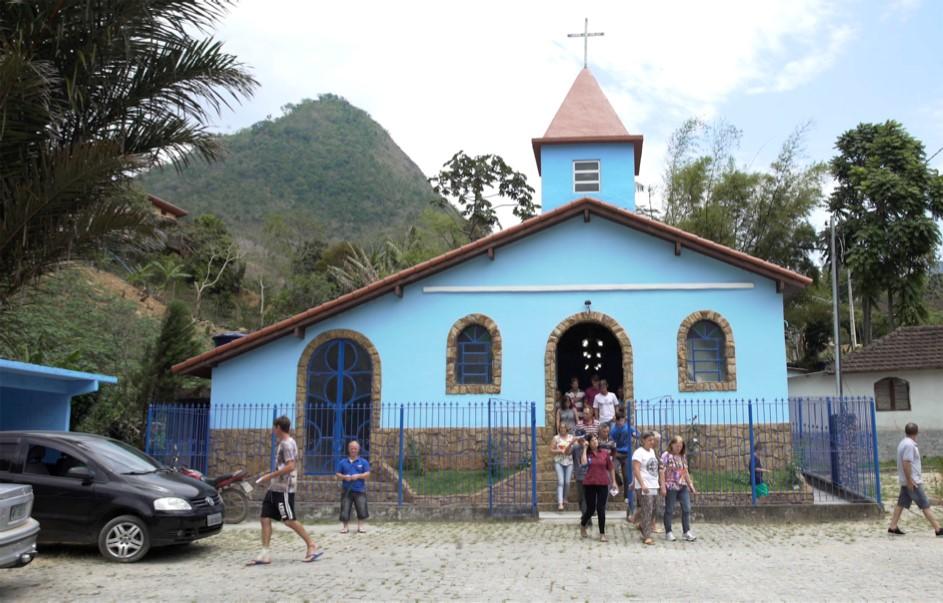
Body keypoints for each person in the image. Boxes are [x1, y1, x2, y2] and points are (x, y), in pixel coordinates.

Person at [249, 416, 322, 565]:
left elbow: (290, 466)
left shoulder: (287, 444)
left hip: (284, 489)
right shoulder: (284, 443)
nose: (273, 430)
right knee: (265, 517)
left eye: (274, 427)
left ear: (278, 427)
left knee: (289, 520)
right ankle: (265, 553)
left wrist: (268, 476)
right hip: (274, 488)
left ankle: (311, 544)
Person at [887, 423, 942, 536]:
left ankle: (892, 527)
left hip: (907, 480)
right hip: (913, 481)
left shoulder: (903, 443)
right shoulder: (909, 445)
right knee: (924, 503)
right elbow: (906, 463)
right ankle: (938, 529)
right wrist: (909, 481)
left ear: (906, 432)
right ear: (917, 432)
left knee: (901, 503)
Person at [579, 433, 616, 542]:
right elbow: (584, 463)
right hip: (589, 483)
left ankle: (602, 533)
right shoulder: (587, 454)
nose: (595, 442)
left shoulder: (604, 453)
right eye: (593, 440)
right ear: (589, 443)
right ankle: (582, 524)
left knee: (601, 508)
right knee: (590, 509)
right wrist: (585, 448)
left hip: (603, 483)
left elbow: (611, 468)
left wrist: (614, 481)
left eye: (596, 440)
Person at [660, 435, 697, 542]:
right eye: (677, 446)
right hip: (671, 486)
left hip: (682, 485)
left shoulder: (682, 456)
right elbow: (661, 471)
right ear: (671, 445)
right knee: (669, 509)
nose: (679, 448)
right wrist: (663, 486)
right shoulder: (666, 455)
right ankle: (668, 532)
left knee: (686, 508)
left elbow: (685, 471)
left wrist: (691, 485)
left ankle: (686, 531)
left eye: (680, 446)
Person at [335, 440, 371, 534]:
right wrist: (344, 477)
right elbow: (338, 474)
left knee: (361, 507)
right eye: (351, 448)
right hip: (346, 489)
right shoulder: (342, 462)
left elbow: (367, 474)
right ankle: (345, 527)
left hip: (359, 489)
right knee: (345, 508)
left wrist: (358, 476)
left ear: (358, 449)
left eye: (355, 448)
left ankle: (361, 526)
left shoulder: (363, 462)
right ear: (348, 449)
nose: (353, 450)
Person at [633, 431, 660, 545]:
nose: (652, 442)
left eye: (653, 440)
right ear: (643, 440)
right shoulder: (639, 453)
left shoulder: (652, 451)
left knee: (654, 509)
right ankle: (646, 536)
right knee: (647, 509)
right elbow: (636, 469)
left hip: (654, 484)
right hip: (644, 485)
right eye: (649, 440)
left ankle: (642, 525)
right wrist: (642, 484)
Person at [609, 412, 637, 516]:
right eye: (619, 421)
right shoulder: (613, 429)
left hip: (627, 453)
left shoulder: (629, 427)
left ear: (624, 420)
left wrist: (635, 435)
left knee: (626, 475)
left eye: (622, 421)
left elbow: (636, 434)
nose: (621, 423)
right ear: (616, 420)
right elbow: (611, 439)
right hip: (617, 452)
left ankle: (626, 496)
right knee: (613, 468)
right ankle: (618, 482)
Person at [550, 422, 576, 511]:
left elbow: (574, 449)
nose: (562, 429)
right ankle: (560, 503)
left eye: (563, 427)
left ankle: (565, 498)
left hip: (569, 462)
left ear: (566, 428)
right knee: (561, 482)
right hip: (559, 462)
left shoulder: (571, 438)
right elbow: (551, 450)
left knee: (567, 482)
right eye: (560, 427)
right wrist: (558, 451)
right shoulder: (556, 438)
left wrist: (570, 449)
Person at [571, 434, 590, 520]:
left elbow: (584, 462)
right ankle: (585, 514)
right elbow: (565, 452)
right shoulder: (575, 447)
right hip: (579, 475)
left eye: (582, 438)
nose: (581, 440)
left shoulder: (589, 447)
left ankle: (586, 518)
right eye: (579, 438)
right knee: (581, 498)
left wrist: (585, 448)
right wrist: (571, 442)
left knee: (587, 498)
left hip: (589, 476)